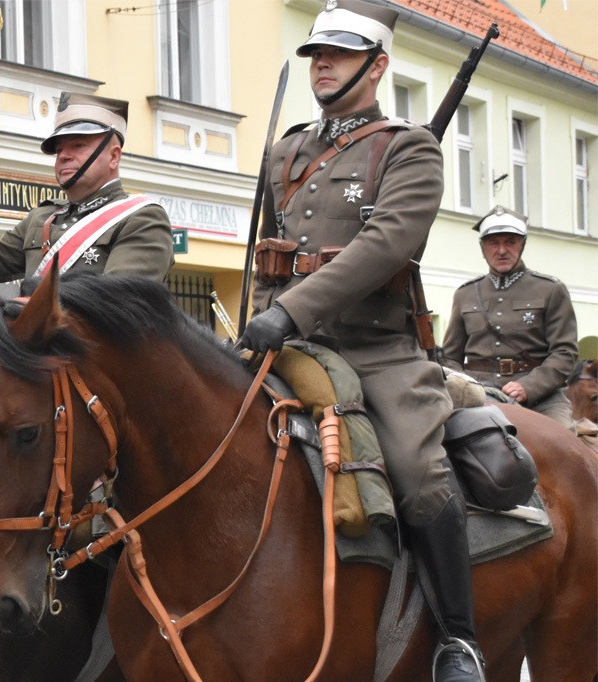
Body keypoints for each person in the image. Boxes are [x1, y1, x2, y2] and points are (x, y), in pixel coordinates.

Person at [237, 1, 484, 680]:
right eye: (316, 52)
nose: (321, 63)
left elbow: (384, 247)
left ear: (377, 66)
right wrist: (258, 323)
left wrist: (289, 313)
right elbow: (270, 254)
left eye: (339, 54)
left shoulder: (409, 148)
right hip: (288, 348)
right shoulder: (286, 150)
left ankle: (456, 640)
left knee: (417, 471)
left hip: (378, 352)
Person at [0, 92, 174, 284]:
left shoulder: (141, 219)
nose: (64, 156)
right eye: (59, 149)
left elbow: (118, 304)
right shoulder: (43, 218)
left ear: (114, 156)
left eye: (79, 145)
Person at [441, 205, 578, 426]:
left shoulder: (551, 289)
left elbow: (565, 353)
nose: (502, 250)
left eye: (510, 242)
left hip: (541, 399)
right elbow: (450, 357)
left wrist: (529, 386)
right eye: (494, 243)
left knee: (566, 448)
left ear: (522, 245)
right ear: (483, 248)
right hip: (479, 395)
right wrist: (466, 386)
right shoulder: (465, 294)